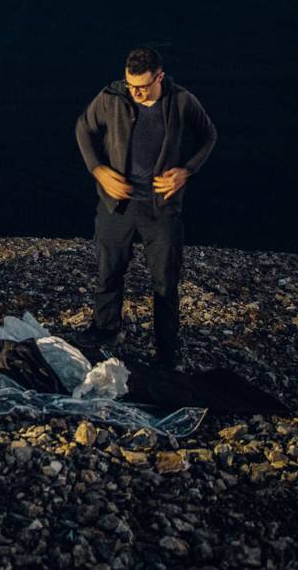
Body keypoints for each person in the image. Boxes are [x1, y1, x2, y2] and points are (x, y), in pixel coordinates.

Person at [74, 47, 216, 369]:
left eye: (142, 87)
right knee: (108, 271)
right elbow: (83, 127)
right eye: (130, 85)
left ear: (160, 78)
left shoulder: (181, 101)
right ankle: (105, 330)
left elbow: (209, 135)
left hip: (161, 207)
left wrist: (187, 170)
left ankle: (166, 347)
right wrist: (97, 169)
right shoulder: (112, 96)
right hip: (117, 203)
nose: (135, 93)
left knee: (165, 279)